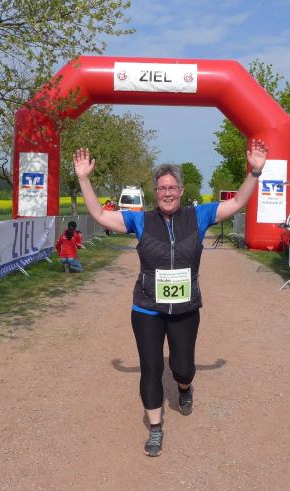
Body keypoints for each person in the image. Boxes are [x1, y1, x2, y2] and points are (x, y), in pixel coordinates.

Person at [73, 139, 267, 457]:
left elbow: (237, 203)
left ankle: (184, 387)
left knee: (182, 367)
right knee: (150, 368)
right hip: (147, 308)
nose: (167, 193)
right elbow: (99, 214)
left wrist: (255, 172)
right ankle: (155, 428)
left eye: (172, 187)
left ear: (181, 190)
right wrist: (83, 178)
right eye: (162, 187)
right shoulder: (140, 220)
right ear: (155, 191)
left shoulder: (198, 216)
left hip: (185, 309)